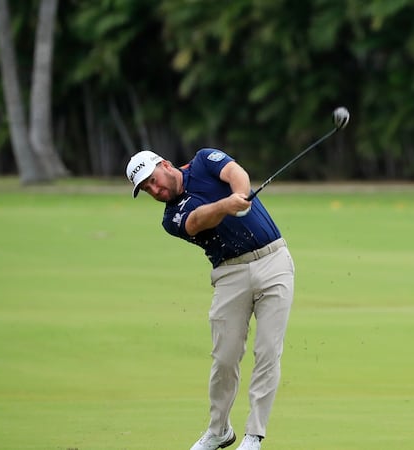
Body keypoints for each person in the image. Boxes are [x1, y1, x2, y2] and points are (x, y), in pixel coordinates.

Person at [125, 149, 295, 450]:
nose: (154, 189)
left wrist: (241, 195)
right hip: (230, 275)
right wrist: (228, 205)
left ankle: (254, 436)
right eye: (147, 189)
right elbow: (197, 221)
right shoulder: (170, 218)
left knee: (268, 351)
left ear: (165, 164)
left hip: (274, 261)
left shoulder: (204, 160)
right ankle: (219, 430)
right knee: (224, 359)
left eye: (152, 180)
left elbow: (235, 173)